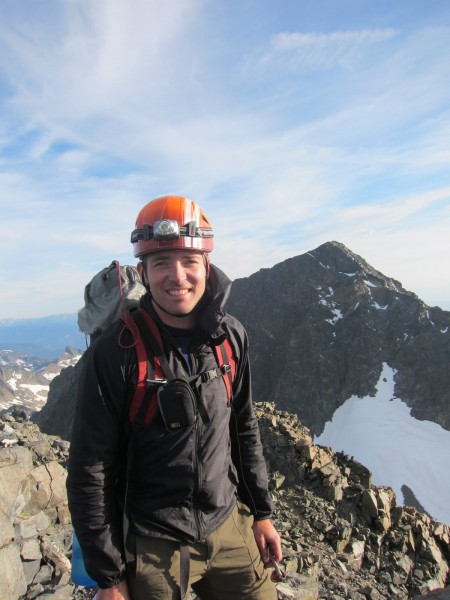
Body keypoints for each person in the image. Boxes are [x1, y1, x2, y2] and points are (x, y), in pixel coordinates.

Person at [67, 195, 282, 600]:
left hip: (228, 522)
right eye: (161, 262)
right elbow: (89, 471)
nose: (176, 276)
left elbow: (243, 429)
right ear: (144, 273)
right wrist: (110, 578)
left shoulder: (230, 338)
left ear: (206, 266)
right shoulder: (116, 352)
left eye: (188, 261)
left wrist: (263, 514)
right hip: (153, 542)